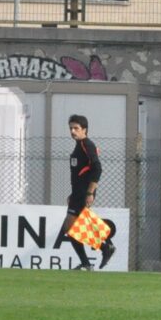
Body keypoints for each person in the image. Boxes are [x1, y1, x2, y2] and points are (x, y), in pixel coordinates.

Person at [62, 114, 116, 270]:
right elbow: (80, 173)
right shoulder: (79, 145)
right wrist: (73, 193)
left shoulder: (87, 144)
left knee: (70, 228)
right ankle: (101, 250)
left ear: (84, 129)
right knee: (72, 228)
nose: (72, 131)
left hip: (83, 193)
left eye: (76, 128)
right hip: (78, 193)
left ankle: (103, 249)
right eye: (71, 128)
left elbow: (97, 168)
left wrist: (90, 193)